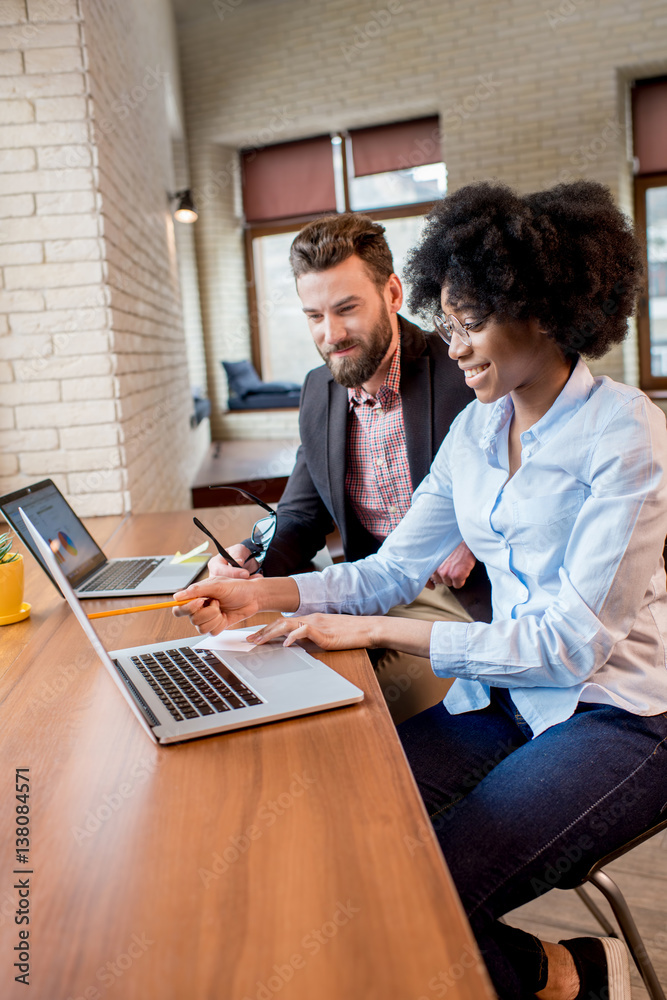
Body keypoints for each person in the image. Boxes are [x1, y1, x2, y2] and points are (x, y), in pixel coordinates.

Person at [175, 179, 667, 1000]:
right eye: (447, 323)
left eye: (471, 325)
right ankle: (559, 972)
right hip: (505, 699)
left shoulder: (627, 435)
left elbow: (568, 645)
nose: (455, 345)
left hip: (615, 712)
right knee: (336, 831)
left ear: (543, 314)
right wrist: (258, 597)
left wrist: (381, 635)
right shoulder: (478, 429)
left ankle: (561, 975)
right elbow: (390, 572)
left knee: (410, 893)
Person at [211, 213, 491, 723]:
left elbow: (532, 476)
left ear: (392, 293)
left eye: (346, 309)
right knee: (269, 680)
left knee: (350, 715)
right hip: (365, 590)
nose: (331, 333)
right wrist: (250, 557)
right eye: (314, 316)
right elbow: (298, 517)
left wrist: (474, 533)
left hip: (456, 603)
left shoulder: (464, 370)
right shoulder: (318, 392)